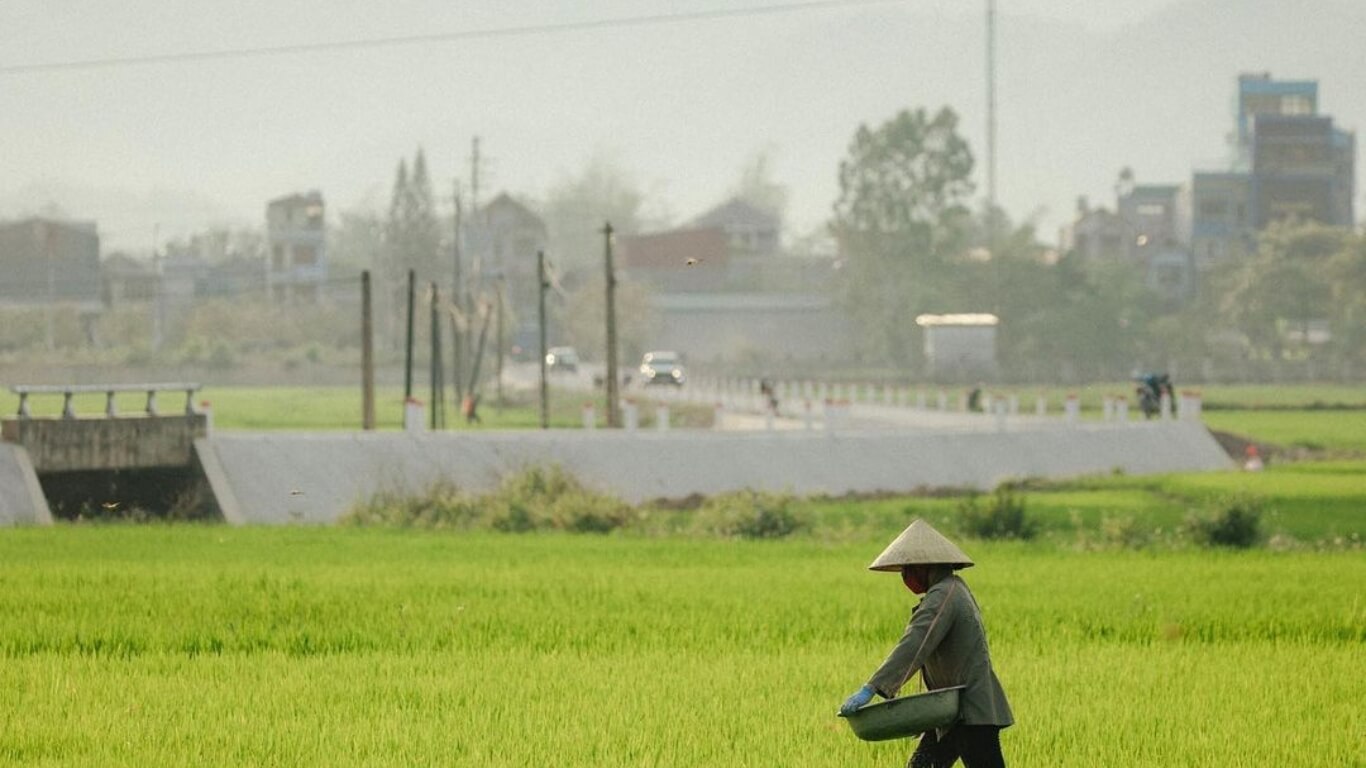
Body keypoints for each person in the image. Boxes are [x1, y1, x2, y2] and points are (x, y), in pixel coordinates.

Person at [839, 519, 1013, 767]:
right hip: (951, 710)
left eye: (908, 569)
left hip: (970, 711)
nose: (905, 576)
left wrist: (872, 687)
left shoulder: (943, 595)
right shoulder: (954, 588)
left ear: (924, 566)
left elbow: (915, 642)